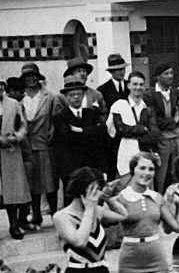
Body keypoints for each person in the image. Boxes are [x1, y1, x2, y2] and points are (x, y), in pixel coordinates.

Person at [53, 75, 107, 199]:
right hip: (71, 166)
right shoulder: (60, 117)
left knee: (92, 197)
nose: (76, 97)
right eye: (72, 95)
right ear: (66, 98)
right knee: (72, 198)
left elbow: (100, 135)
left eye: (79, 94)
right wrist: (89, 133)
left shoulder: (91, 114)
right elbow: (67, 138)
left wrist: (81, 130)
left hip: (90, 163)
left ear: (83, 96)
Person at [20, 63, 60, 229]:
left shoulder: (49, 96)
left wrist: (52, 130)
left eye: (33, 75)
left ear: (38, 77)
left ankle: (54, 214)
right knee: (32, 182)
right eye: (27, 76)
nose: (31, 79)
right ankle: (36, 216)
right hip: (25, 145)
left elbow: (56, 117)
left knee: (49, 181)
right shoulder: (19, 97)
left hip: (44, 142)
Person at [142, 63, 179, 191]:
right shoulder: (150, 95)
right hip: (162, 138)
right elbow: (155, 120)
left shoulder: (176, 93)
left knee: (178, 168)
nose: (170, 76)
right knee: (161, 171)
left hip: (177, 137)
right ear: (157, 77)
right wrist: (173, 121)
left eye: (171, 73)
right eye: (166, 74)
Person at [108, 71, 156, 177]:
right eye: (135, 84)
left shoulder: (148, 108)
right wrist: (142, 129)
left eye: (141, 84)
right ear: (128, 85)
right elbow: (121, 130)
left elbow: (154, 134)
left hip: (145, 152)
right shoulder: (120, 105)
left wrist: (134, 132)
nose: (138, 87)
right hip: (124, 152)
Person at [0, 79, 31, 239]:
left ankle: (14, 225)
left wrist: (17, 136)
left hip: (10, 152)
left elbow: (23, 124)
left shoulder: (13, 104)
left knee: (12, 189)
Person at [98, 54, 130, 178]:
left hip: (129, 132)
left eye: (122, 69)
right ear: (111, 72)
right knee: (112, 165)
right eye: (117, 70)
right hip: (112, 136)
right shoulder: (103, 90)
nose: (121, 72)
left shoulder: (130, 86)